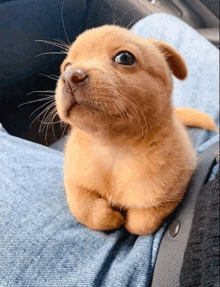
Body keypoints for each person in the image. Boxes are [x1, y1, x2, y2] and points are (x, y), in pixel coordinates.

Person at [0, 8, 219, 287]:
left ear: (166, 78)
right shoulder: (79, 162)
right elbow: (76, 186)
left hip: (173, 257)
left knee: (141, 224)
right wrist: (86, 209)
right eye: (67, 67)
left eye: (124, 59)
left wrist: (145, 221)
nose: (73, 76)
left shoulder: (172, 172)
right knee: (160, 21)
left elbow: (168, 192)